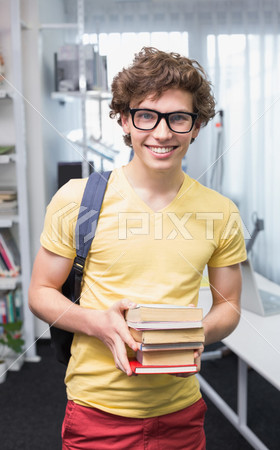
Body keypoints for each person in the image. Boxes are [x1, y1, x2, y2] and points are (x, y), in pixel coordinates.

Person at [29, 47, 247, 449]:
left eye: (178, 118)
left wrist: (192, 336)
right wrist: (98, 324)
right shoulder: (78, 199)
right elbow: (40, 293)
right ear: (126, 121)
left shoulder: (221, 212)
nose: (162, 133)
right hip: (96, 413)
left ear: (195, 126)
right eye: (147, 115)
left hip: (181, 414)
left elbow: (229, 306)